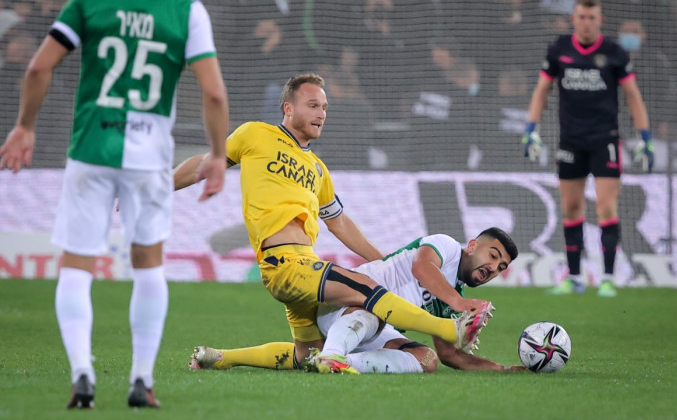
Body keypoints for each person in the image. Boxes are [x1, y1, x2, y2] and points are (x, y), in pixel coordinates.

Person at [0, 0, 230, 409]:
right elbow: (215, 93)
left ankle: (82, 374)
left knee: (76, 265)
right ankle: (142, 380)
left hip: (91, 152)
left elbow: (38, 66)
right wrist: (217, 155)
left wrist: (24, 126)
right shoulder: (187, 11)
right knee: (148, 265)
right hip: (148, 161)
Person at [173, 73, 491, 374]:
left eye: (324, 107)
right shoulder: (255, 134)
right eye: (312, 105)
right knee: (367, 289)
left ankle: (220, 358)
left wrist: (384, 261)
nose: (321, 113)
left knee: (306, 354)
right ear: (288, 108)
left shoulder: (318, 169)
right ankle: (453, 329)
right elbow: (204, 164)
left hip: (303, 266)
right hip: (283, 262)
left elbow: (339, 224)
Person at [189, 229, 525, 374]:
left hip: (368, 328)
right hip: (344, 303)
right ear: (471, 245)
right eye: (492, 255)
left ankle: (331, 361)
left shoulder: (453, 298)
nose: (493, 267)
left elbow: (452, 355)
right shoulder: (446, 247)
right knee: (375, 312)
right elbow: (422, 268)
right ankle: (333, 356)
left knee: (427, 359)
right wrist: (457, 304)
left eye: (501, 267)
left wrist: (503, 369)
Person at [522, 0, 654, 298]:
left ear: (600, 20)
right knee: (571, 208)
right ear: (574, 19)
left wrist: (644, 137)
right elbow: (542, 89)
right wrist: (531, 129)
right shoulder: (559, 49)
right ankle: (575, 277)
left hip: (604, 140)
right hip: (570, 140)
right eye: (581, 17)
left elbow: (633, 95)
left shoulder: (614, 53)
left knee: (606, 207)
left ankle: (608, 278)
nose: (586, 22)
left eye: (592, 17)